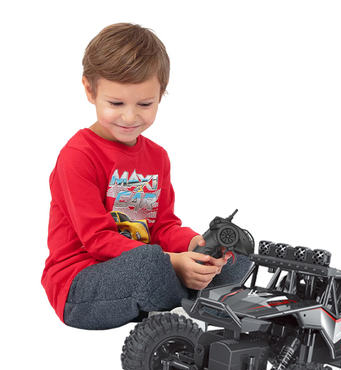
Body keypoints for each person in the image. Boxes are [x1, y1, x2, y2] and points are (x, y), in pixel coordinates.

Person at [41, 23, 252, 330]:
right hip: (81, 286)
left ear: (160, 95)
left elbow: (163, 226)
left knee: (233, 256)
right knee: (151, 263)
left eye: (144, 104)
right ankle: (190, 307)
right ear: (90, 90)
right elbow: (97, 240)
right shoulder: (78, 155)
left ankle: (194, 304)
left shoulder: (157, 157)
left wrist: (195, 246)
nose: (130, 117)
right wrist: (172, 261)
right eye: (116, 103)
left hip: (148, 271)